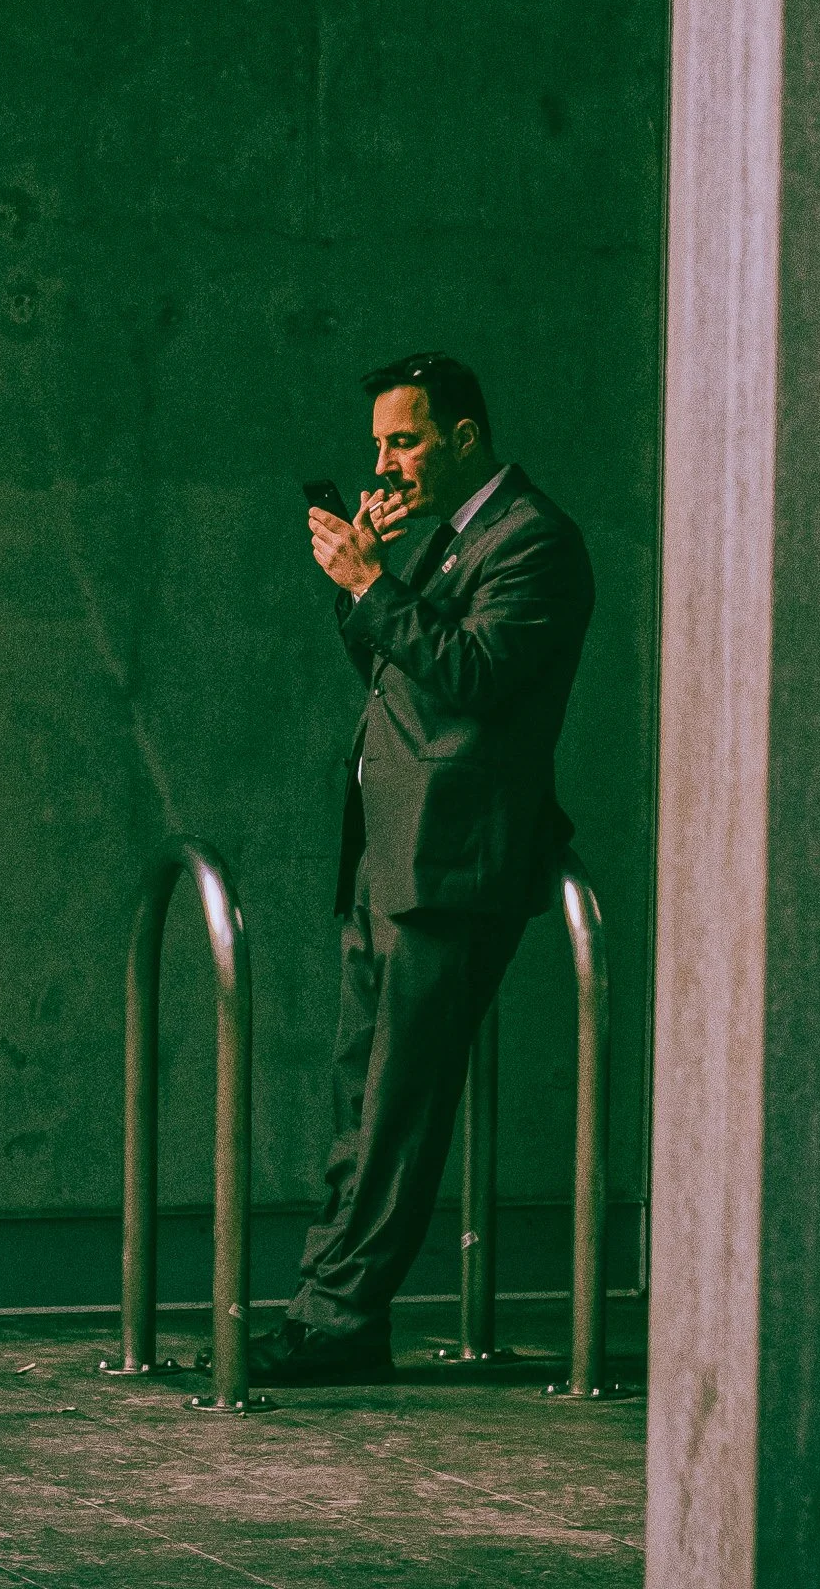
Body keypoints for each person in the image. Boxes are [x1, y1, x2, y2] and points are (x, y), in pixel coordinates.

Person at [248, 352, 595, 1385]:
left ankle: (337, 1316)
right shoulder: (449, 542)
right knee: (363, 1097)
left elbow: (478, 676)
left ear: (464, 436)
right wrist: (366, 583)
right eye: (379, 444)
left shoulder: (534, 540)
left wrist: (373, 583)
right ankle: (330, 1307)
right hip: (391, 848)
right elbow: (400, 676)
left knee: (396, 1106)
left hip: (451, 856)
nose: (387, 460)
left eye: (403, 438)